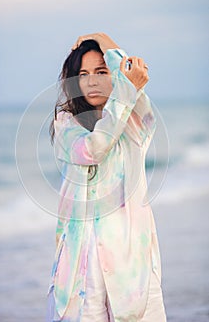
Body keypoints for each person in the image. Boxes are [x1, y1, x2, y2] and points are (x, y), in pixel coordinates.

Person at [47, 33, 166, 321]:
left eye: (102, 72)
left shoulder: (136, 121)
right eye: (83, 74)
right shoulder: (66, 125)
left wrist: (104, 40)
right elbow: (94, 149)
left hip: (130, 268)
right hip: (79, 271)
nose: (92, 81)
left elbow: (129, 74)